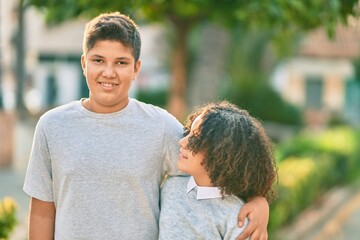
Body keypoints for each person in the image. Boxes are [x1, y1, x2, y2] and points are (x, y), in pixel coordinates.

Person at [23, 12, 269, 239]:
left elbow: (217, 167)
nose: (108, 72)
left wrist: (259, 201)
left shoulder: (160, 127)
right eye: (98, 60)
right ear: (84, 63)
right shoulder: (52, 126)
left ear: (136, 69)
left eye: (121, 62)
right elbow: (43, 211)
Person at [159, 101, 278, 240]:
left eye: (195, 139)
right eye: (188, 132)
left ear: (221, 154)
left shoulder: (237, 218)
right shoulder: (170, 187)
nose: (182, 142)